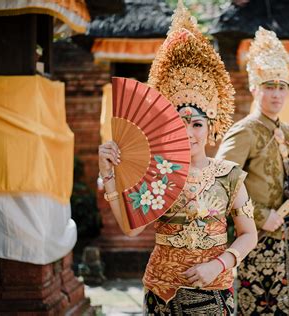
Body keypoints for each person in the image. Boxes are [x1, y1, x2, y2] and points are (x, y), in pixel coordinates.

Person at [98, 3, 257, 315]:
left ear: (211, 128)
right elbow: (130, 230)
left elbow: (248, 234)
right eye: (179, 123)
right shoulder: (157, 174)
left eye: (196, 124)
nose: (188, 132)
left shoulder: (229, 175)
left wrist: (220, 263)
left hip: (212, 294)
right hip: (161, 293)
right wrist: (110, 177)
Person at [216, 27, 289, 315]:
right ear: (254, 88)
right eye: (269, 86)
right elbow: (218, 182)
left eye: (282, 87)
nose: (276, 94)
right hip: (259, 242)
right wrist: (257, 215)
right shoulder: (244, 131)